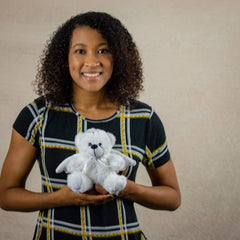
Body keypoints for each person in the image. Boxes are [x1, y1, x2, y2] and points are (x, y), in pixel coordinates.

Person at [0, 11, 181, 240]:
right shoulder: (37, 116)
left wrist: (125, 187)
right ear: (64, 58)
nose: (92, 62)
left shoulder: (143, 118)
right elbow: (6, 196)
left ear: (119, 57)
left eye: (103, 50)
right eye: (80, 51)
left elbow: (173, 197)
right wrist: (59, 198)